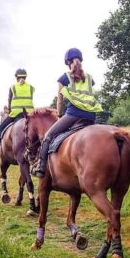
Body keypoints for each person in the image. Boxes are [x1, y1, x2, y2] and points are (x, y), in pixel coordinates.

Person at [32, 48, 102, 177]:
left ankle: (41, 167)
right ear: (80, 60)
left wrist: (59, 114)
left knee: (47, 136)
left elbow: (60, 100)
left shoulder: (64, 78)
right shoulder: (90, 78)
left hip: (73, 115)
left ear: (67, 62)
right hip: (91, 116)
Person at [0, 68, 35, 155]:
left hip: (15, 114)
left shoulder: (13, 87)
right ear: (25, 77)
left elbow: (9, 101)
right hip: (29, 114)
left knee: (2, 127)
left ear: (16, 77)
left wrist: (9, 110)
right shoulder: (31, 88)